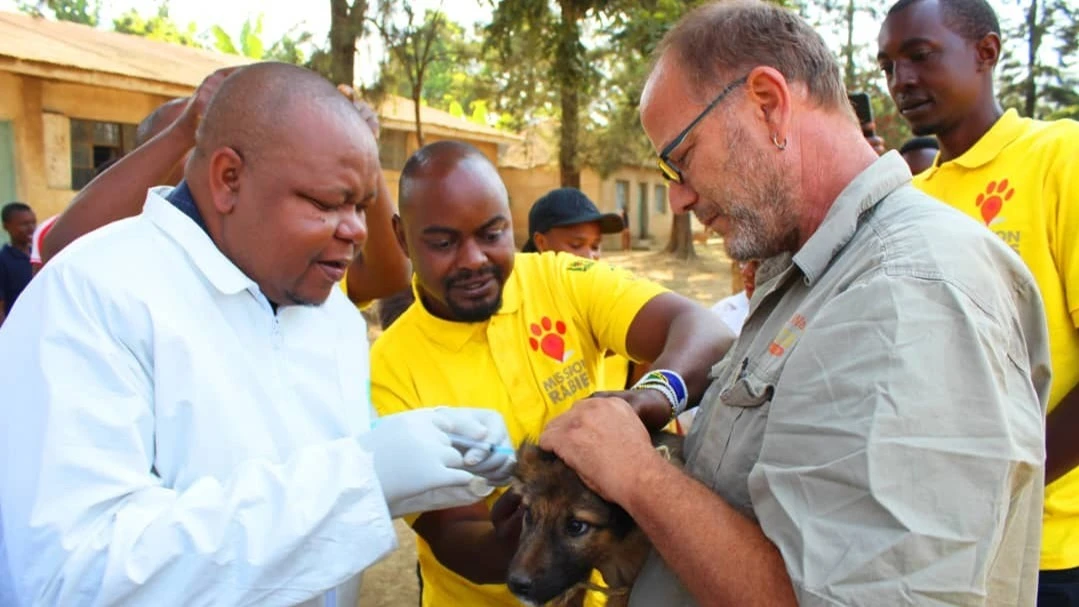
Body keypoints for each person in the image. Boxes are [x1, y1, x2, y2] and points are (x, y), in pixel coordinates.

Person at [540, 2, 1051, 605]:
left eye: (681, 157)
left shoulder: (910, 293)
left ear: (767, 102)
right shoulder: (817, 267)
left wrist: (640, 476)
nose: (678, 199)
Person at [0, 62, 515, 606]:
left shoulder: (331, 318)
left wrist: (436, 460)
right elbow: (72, 578)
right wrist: (363, 476)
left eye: (361, 206)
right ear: (229, 179)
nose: (358, 231)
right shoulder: (94, 295)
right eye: (326, 203)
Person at [370, 140, 734, 606]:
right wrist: (528, 532)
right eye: (443, 243)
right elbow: (455, 537)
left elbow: (703, 331)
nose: (474, 259)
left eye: (492, 234)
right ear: (402, 237)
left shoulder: (561, 279)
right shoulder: (390, 370)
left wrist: (650, 399)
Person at [879, 0, 1079, 601]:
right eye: (887, 65)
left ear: (986, 53)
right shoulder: (909, 199)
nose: (901, 81)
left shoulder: (1058, 157)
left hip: (1051, 546)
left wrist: (1005, 485)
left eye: (919, 56)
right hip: (942, 545)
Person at [0, 201, 36, 326]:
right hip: (16, 327)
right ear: (6, 226)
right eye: (24, 224)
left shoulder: (38, 255)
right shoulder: (3, 259)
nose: (31, 228)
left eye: (33, 222)